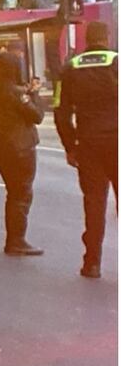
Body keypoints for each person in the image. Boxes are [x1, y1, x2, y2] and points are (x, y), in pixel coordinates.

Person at [54, 21, 118, 279]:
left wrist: (70, 146)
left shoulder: (70, 68)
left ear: (86, 39)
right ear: (107, 37)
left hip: (89, 145)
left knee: (94, 204)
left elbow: (60, 111)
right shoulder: (117, 62)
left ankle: (92, 263)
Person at [0, 51, 46, 256]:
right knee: (22, 194)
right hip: (21, 148)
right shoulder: (16, 93)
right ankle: (17, 240)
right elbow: (37, 116)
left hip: (1, 148)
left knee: (12, 193)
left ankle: (13, 239)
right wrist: (34, 93)